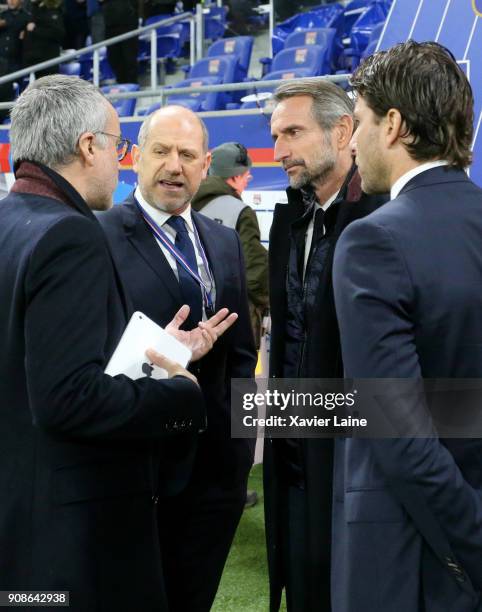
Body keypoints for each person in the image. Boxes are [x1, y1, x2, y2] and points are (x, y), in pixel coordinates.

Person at [0, 74, 235, 611]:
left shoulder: (11, 220)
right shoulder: (70, 233)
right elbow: (67, 399)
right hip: (73, 536)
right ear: (89, 146)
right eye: (121, 144)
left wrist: (161, 353)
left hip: (24, 517)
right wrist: (180, 393)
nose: (118, 157)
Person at [332, 40, 482, 612]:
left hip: (420, 561)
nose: (355, 140)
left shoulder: (374, 239)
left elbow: (399, 436)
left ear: (393, 124)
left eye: (362, 120)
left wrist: (472, 544)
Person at [98, 105, 257, 612]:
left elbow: (241, 356)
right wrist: (171, 353)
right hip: (138, 472)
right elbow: (93, 358)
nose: (174, 165)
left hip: (215, 476)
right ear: (136, 158)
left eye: (187, 155)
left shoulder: (223, 241)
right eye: (161, 151)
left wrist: (236, 458)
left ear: (206, 163)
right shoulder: (98, 237)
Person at [265, 78, 387, 611]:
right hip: (292, 464)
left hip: (353, 473)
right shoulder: (289, 219)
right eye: (276, 135)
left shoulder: (381, 218)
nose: (280, 150)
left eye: (293, 132)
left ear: (343, 131)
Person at [192, 141, 269, 350]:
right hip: (232, 322)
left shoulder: (185, 203)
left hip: (192, 319)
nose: (247, 181)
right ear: (235, 177)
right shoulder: (240, 211)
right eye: (246, 176)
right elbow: (255, 271)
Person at [0, 0, 29, 120]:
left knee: (17, 94)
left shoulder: (26, 17)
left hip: (17, 62)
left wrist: (6, 23)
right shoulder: (2, 15)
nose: (11, 1)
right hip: (1, 61)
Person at [98, 0, 138, 84]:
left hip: (128, 22)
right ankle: (121, 83)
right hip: (110, 24)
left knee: (129, 58)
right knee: (114, 58)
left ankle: (132, 86)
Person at [22, 0, 65, 78]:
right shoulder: (34, 9)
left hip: (47, 63)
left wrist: (35, 30)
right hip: (33, 61)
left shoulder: (52, 10)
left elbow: (58, 33)